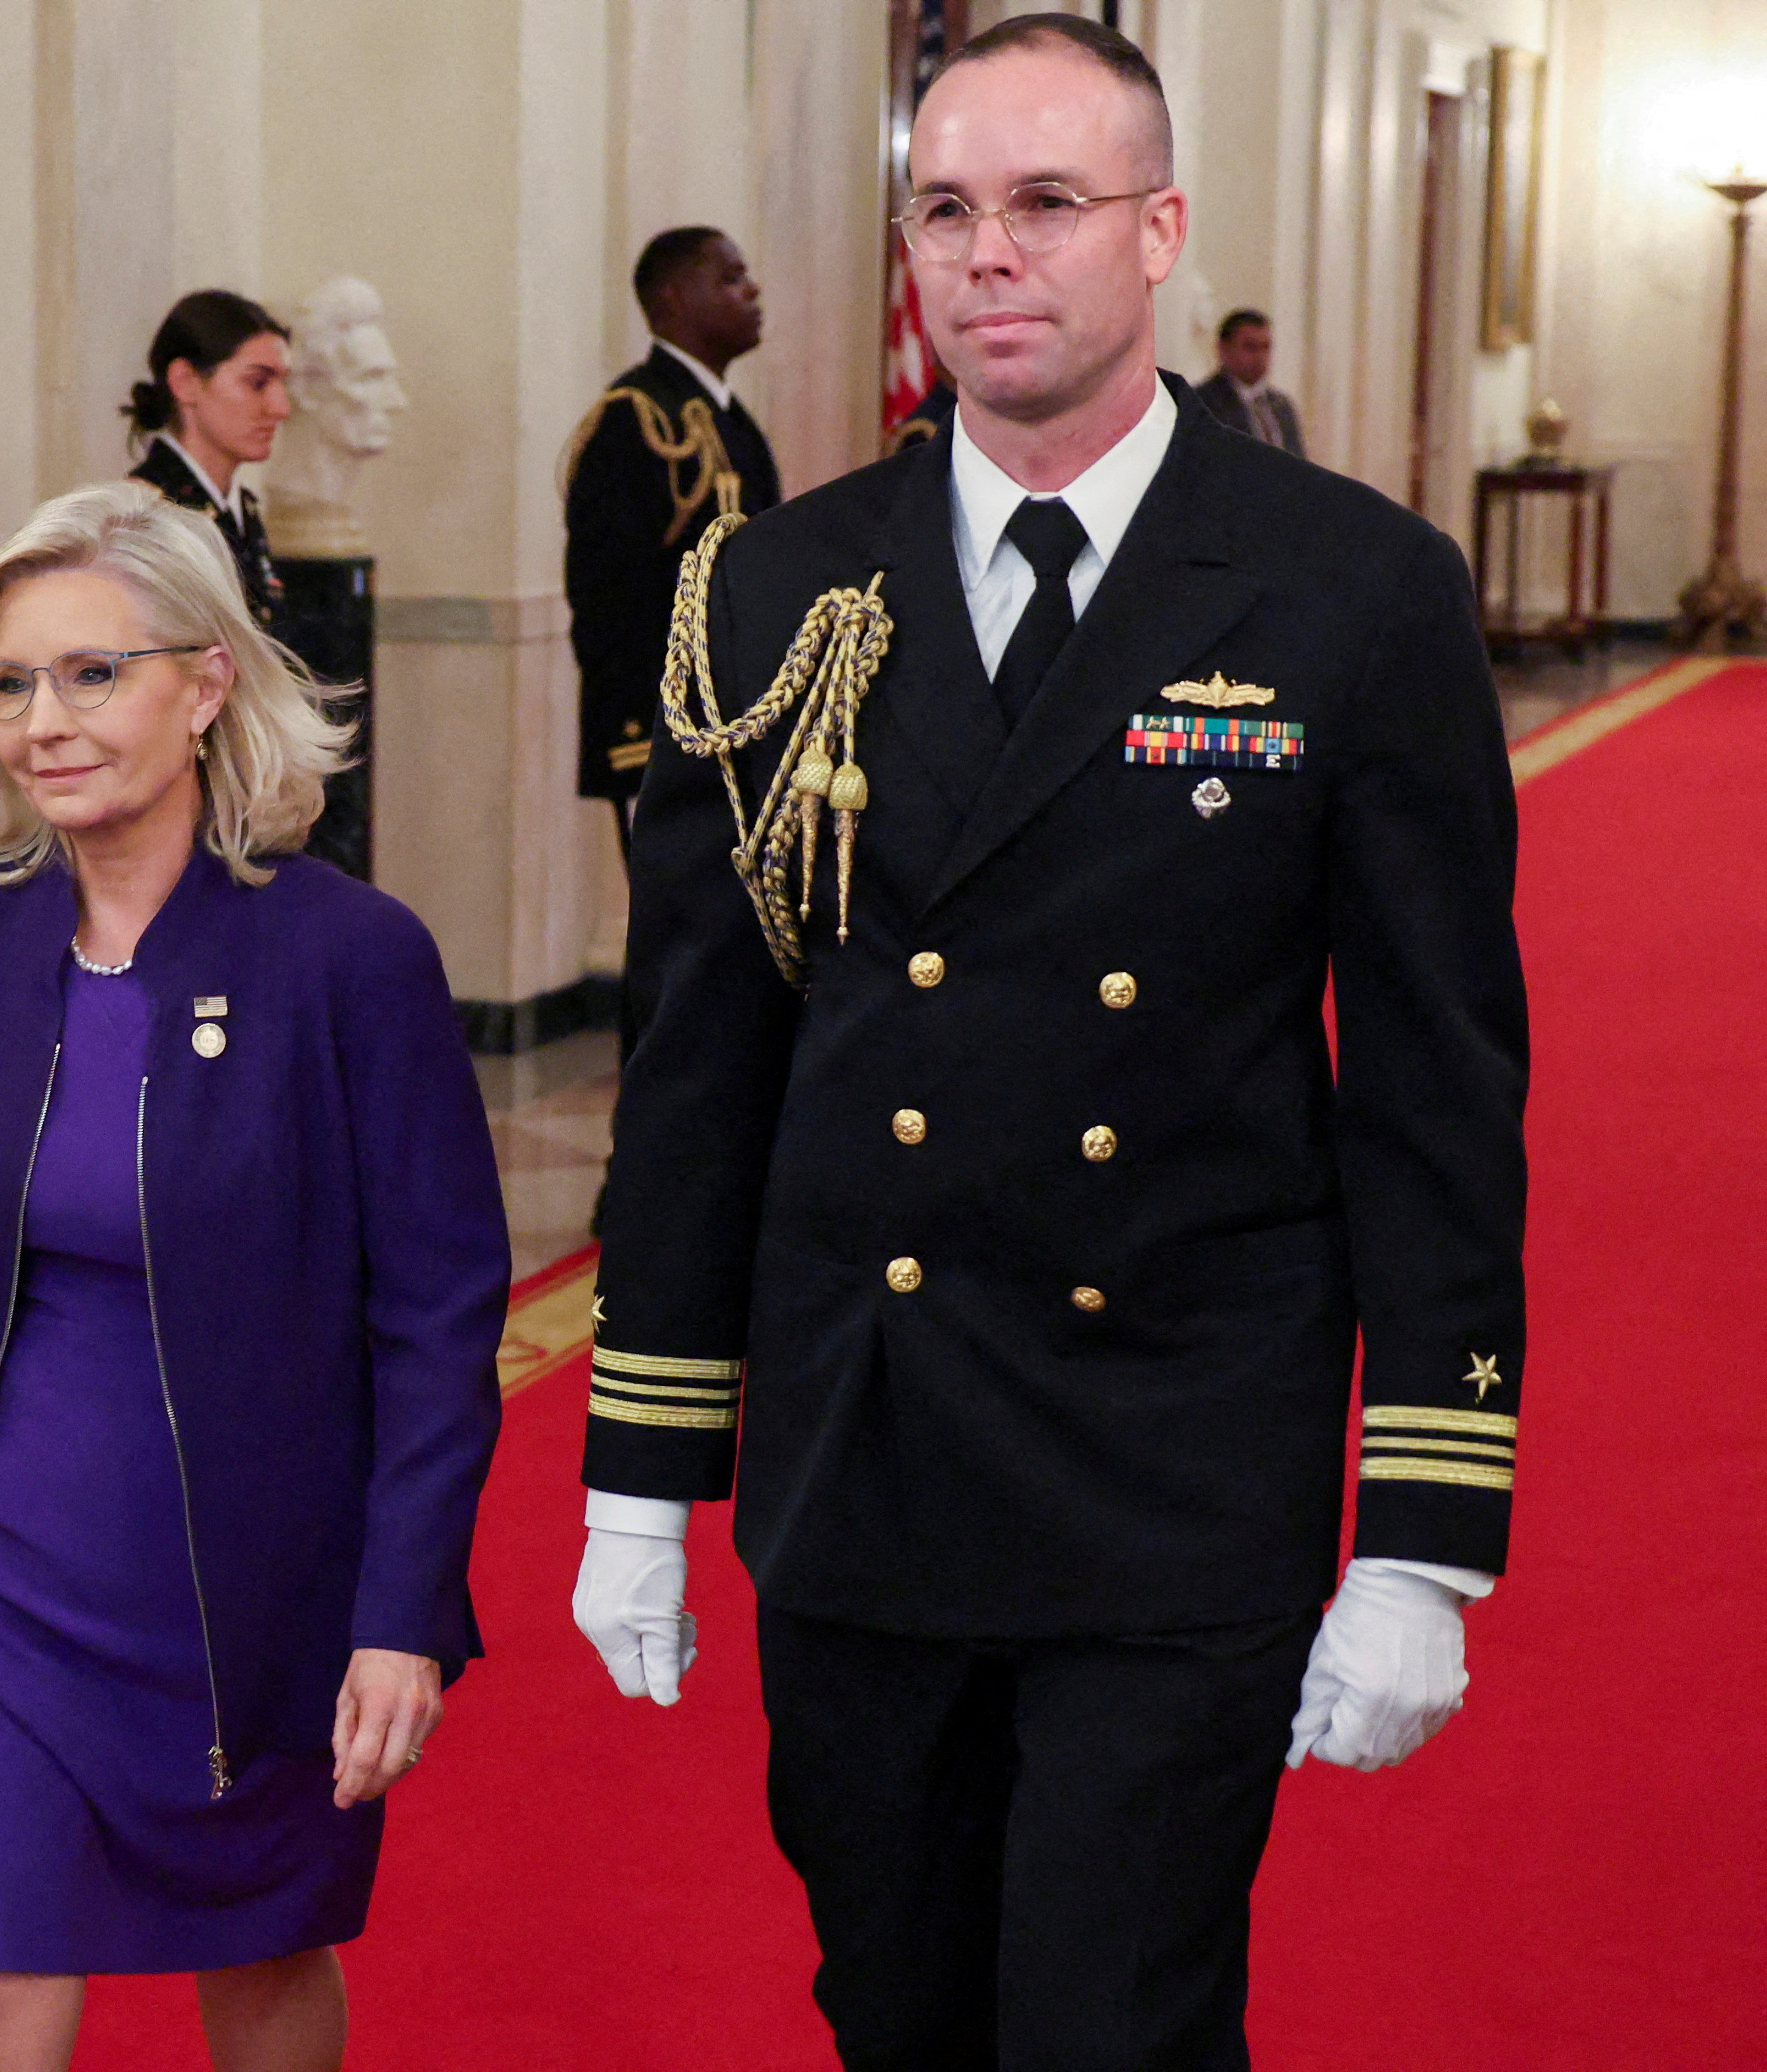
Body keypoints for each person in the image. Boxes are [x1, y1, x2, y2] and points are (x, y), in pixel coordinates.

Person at [575, 17, 1527, 2068]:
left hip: (1170, 1460)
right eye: (942, 209)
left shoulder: (1346, 593)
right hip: (865, 1460)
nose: (984, 254)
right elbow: (697, 1063)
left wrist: (1423, 1533)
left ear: (1157, 232)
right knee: (892, 2007)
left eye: (1041, 205)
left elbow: (1433, 1093)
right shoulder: (775, 587)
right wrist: (637, 1477)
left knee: (1108, 2020)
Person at [0, 481, 508, 2072]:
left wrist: (402, 1613)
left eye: (92, 675)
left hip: (245, 1588)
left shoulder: (349, 958)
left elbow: (436, 1319)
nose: (41, 722)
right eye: (11, 683)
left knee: (261, 1974)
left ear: (205, 685)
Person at [564, 225, 782, 835]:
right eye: (731, 278)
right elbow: (609, 597)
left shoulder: (729, 418)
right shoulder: (637, 419)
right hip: (671, 738)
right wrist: (639, 739)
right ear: (675, 299)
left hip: (732, 727)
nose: (753, 290)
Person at [123, 290, 291, 629]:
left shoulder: (242, 510)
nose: (281, 408)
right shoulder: (145, 514)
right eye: (258, 383)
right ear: (185, 382)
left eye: (282, 385)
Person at [1197, 305, 1308, 457]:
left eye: (1266, 347)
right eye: (1250, 347)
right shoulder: (1203, 403)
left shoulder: (1281, 405)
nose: (1260, 357)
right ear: (1223, 349)